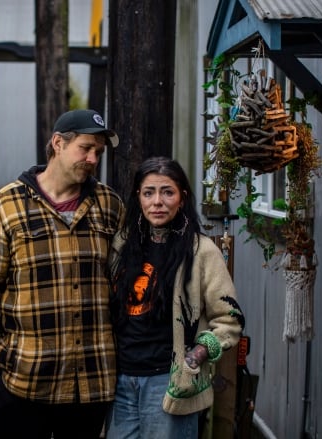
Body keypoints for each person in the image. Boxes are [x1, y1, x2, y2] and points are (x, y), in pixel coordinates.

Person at [0, 109, 125, 439]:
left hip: (91, 381)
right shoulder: (6, 205)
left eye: (99, 152)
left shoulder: (110, 204)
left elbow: (125, 282)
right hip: (23, 379)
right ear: (58, 144)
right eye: (86, 148)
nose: (93, 158)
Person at [106, 156, 245, 439]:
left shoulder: (201, 251)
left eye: (167, 192)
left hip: (169, 381)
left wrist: (195, 357)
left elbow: (229, 321)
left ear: (182, 198)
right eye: (149, 192)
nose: (157, 201)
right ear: (139, 198)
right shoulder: (121, 245)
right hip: (119, 381)